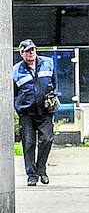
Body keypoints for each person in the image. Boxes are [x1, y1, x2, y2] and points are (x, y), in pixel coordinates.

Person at [11, 39, 57, 187]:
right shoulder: (16, 70)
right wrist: (19, 107)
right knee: (28, 144)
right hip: (26, 112)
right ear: (21, 53)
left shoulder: (48, 63)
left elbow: (53, 84)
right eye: (27, 51)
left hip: (44, 111)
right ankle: (32, 175)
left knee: (47, 140)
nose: (31, 53)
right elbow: (13, 92)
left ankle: (41, 170)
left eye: (32, 50)